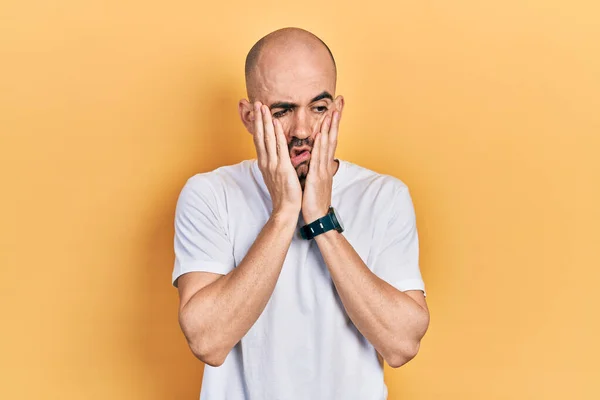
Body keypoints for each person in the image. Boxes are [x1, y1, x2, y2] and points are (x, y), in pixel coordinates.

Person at [172, 27, 430, 400]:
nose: (303, 129)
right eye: (282, 111)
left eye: (319, 108)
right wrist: (284, 213)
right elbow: (208, 340)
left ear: (337, 110)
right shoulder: (211, 194)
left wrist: (321, 219)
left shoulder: (384, 196)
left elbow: (402, 344)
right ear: (248, 117)